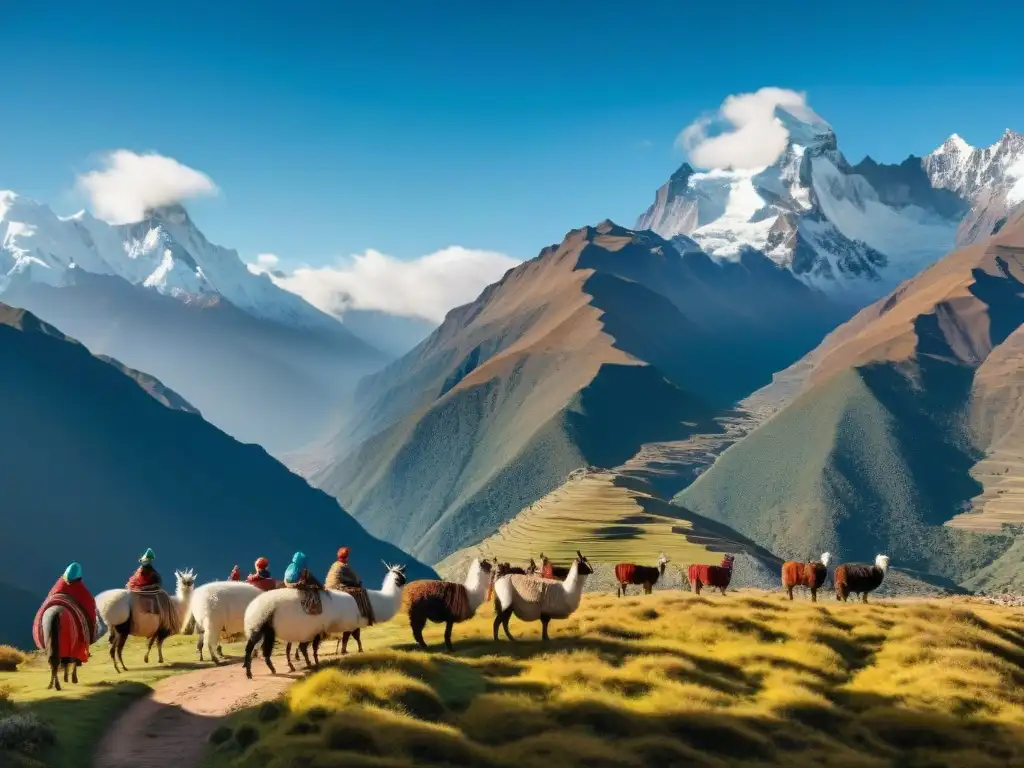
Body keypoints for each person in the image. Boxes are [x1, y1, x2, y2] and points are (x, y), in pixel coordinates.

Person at [32, 562, 99, 666]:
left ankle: (39, 633)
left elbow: (51, 595)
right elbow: (89, 603)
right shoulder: (80, 589)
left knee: (45, 607)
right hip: (76, 598)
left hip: (55, 597)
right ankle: (89, 637)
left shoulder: (58, 586)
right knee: (89, 607)